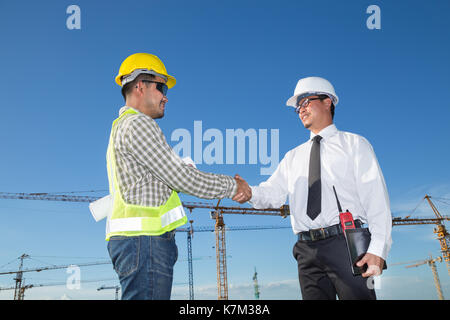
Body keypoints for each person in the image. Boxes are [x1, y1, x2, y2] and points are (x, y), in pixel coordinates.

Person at [105, 53, 251, 300]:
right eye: (161, 86)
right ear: (140, 85)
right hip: (145, 242)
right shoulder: (138, 124)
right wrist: (232, 185)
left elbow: (164, 178)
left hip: (137, 244)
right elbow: (181, 178)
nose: (165, 95)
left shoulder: (122, 126)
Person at [234, 76, 392, 300]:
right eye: (298, 106)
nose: (300, 109)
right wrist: (250, 192)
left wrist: (377, 249)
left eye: (305, 101)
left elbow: (377, 200)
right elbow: (273, 193)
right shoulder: (293, 157)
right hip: (306, 250)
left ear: (327, 101)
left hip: (346, 245)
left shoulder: (355, 144)